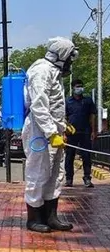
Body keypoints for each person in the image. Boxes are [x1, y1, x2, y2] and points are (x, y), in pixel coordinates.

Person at [22, 36, 78, 233]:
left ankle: (51, 216)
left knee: (55, 173)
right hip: (39, 130)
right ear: (63, 55)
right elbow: (38, 104)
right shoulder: (41, 70)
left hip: (54, 131)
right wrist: (51, 131)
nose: (71, 62)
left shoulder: (54, 72)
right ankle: (34, 218)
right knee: (38, 173)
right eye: (70, 57)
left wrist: (63, 125)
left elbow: (54, 104)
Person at [64, 78, 96, 188]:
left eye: (81, 86)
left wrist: (93, 131)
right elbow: (64, 118)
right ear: (73, 88)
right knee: (69, 156)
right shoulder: (67, 101)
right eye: (77, 86)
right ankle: (69, 179)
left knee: (86, 155)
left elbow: (92, 116)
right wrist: (64, 132)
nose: (79, 88)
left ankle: (87, 178)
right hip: (71, 133)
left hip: (85, 132)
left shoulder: (88, 101)